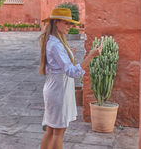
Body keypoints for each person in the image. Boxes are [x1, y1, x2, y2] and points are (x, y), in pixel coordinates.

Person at [39, 8, 102, 149]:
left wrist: (69, 55)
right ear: (56, 22)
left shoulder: (54, 41)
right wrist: (90, 56)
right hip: (58, 91)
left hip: (55, 88)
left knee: (51, 130)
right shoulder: (55, 44)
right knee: (58, 133)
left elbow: (61, 65)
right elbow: (72, 72)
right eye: (66, 23)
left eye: (70, 24)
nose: (70, 27)